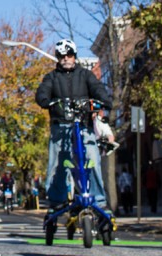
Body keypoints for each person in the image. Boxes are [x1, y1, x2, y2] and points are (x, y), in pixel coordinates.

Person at [34, 39, 113, 211]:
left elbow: (97, 89)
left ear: (74, 56)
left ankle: (98, 201)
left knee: (92, 158)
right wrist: (45, 100)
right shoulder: (51, 77)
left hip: (84, 126)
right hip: (60, 127)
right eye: (62, 56)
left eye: (69, 55)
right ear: (57, 58)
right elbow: (42, 92)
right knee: (58, 163)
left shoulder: (85, 75)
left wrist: (105, 101)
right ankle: (56, 201)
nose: (66, 59)